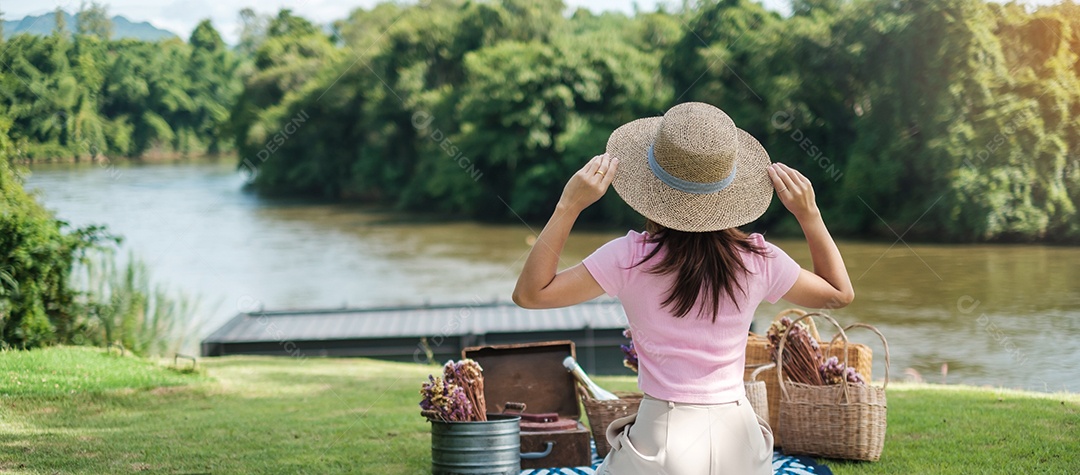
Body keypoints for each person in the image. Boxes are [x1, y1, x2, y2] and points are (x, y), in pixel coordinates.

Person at [512, 102, 854, 474]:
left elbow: (530, 295)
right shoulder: (758, 257)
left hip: (661, 445)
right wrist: (810, 214)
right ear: (729, 191)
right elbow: (839, 293)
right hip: (741, 446)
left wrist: (568, 206)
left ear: (650, 186)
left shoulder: (629, 257)